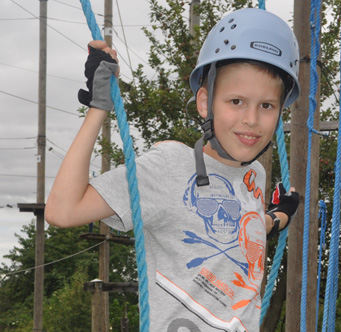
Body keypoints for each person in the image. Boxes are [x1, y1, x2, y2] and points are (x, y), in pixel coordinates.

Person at [46, 7, 300, 332]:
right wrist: (98, 108)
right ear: (205, 102)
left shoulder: (256, 176)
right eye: (236, 101)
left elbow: (241, 226)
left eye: (266, 105)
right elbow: (63, 211)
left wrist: (278, 217)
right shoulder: (170, 167)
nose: (251, 119)